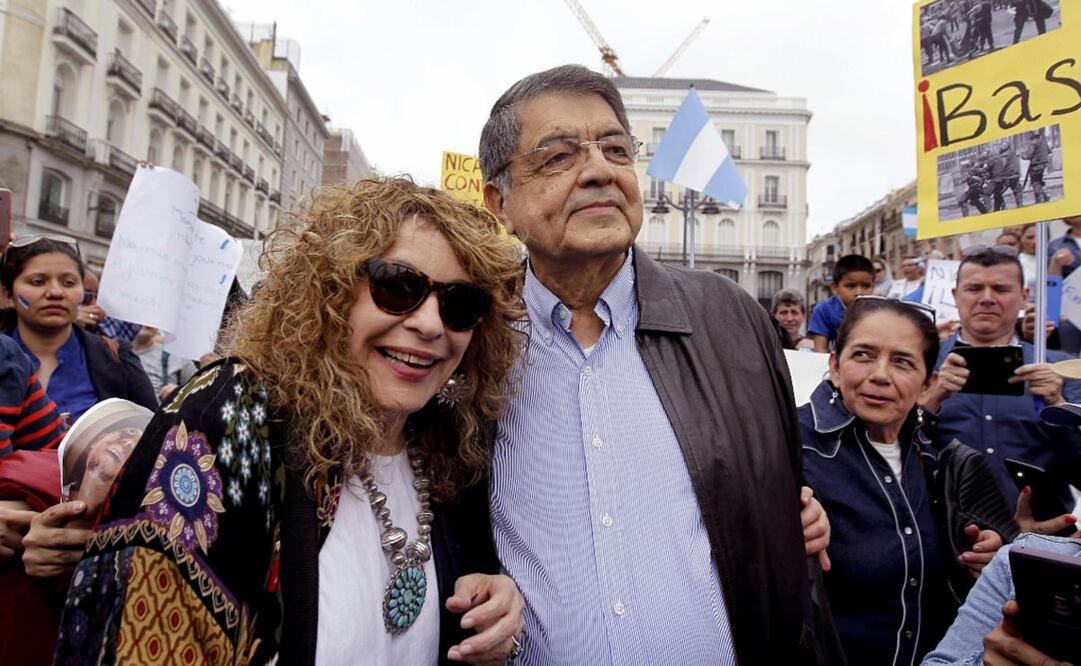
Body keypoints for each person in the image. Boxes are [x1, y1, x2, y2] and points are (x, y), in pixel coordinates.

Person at [45, 178, 527, 664]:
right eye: (398, 287)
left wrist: (495, 602)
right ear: (330, 293)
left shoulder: (455, 447)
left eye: (460, 304)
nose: (430, 324)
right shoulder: (233, 417)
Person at [479, 64, 840, 665]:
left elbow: (779, 488)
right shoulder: (468, 336)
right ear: (500, 202)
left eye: (616, 149)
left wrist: (784, 517)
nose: (600, 170)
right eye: (559, 157)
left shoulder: (731, 318)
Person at [801, 297, 1016, 665]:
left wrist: (978, 558)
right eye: (863, 355)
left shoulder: (931, 458)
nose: (880, 375)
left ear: (927, 383)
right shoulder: (787, 444)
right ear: (835, 366)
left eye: (902, 361)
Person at [920, 248, 1081, 514]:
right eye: (974, 288)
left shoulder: (1062, 369)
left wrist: (1058, 405)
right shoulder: (922, 366)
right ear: (955, 296)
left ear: (1024, 297)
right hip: (947, 530)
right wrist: (933, 399)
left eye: (1000, 289)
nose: (987, 299)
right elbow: (892, 453)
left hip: (1039, 532)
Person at [0, 236, 156, 420]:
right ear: (7, 295)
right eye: (38, 281)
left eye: (68, 283)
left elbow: (155, 429)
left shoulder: (117, 358)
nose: (56, 292)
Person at [809, 254, 875, 352]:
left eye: (866, 286)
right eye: (851, 286)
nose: (859, 292)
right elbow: (820, 349)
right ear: (835, 287)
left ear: (873, 286)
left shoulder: (878, 311)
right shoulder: (823, 310)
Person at [130, 325, 197, 402]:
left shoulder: (173, 355)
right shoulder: (119, 356)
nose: (146, 323)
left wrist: (180, 392)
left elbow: (200, 392)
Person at [1020, 129, 1051, 204]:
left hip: (1036, 165)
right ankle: (1046, 193)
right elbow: (1049, 151)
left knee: (1035, 182)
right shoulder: (1043, 142)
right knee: (1039, 179)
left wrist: (1023, 156)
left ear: (1032, 135)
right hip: (1044, 164)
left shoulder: (1033, 143)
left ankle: (1039, 200)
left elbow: (1028, 155)